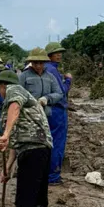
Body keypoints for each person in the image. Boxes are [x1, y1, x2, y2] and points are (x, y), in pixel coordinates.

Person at [0, 70, 53, 207]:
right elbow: (16, 144)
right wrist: (7, 168)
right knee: (37, 199)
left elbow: (14, 108)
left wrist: (5, 133)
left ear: (2, 86)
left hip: (33, 150)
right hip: (39, 149)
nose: (0, 92)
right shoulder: (23, 101)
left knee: (25, 201)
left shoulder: (14, 90)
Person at [44, 42, 72, 185]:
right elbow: (62, 92)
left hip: (46, 109)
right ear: (50, 55)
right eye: (57, 53)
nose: (59, 55)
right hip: (57, 110)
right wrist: (68, 80)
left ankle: (45, 172)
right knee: (57, 142)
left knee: (47, 142)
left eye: (60, 52)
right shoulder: (53, 70)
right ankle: (53, 176)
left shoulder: (43, 69)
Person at [18, 48, 63, 119]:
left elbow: (59, 93)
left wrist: (47, 98)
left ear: (45, 62)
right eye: (35, 63)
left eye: (41, 63)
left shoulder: (50, 76)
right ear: (31, 62)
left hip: (46, 114)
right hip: (29, 115)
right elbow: (18, 94)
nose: (38, 66)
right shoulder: (24, 76)